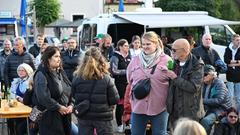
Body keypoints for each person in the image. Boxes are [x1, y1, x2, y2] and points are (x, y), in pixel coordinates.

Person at [127, 31, 177, 135]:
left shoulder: (167, 60)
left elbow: (174, 81)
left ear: (156, 44)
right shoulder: (135, 60)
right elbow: (129, 79)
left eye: (148, 44)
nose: (145, 47)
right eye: (143, 44)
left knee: (159, 133)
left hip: (160, 107)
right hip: (138, 106)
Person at [72, 47, 119, 135]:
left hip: (84, 115)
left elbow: (74, 95)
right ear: (101, 60)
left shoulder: (77, 77)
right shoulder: (106, 78)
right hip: (103, 116)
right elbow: (115, 99)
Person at [167, 38, 205, 128]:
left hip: (190, 112)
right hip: (174, 111)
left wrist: (175, 78)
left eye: (174, 50)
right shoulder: (174, 63)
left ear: (185, 50)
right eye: (171, 49)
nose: (171, 52)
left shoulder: (197, 65)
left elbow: (193, 87)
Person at [34, 46, 72, 135]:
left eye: (59, 56)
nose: (59, 59)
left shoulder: (60, 72)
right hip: (50, 117)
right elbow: (43, 97)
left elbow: (70, 89)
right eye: (56, 56)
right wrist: (58, 107)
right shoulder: (41, 74)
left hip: (65, 115)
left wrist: (71, 104)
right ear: (48, 58)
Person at [200, 64, 232, 134]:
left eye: (205, 74)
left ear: (212, 75)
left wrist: (201, 100)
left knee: (206, 121)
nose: (203, 76)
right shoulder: (203, 83)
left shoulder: (219, 84)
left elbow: (219, 100)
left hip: (221, 109)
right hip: (209, 108)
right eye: (202, 74)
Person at [110, 39, 131, 132]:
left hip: (129, 84)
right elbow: (114, 71)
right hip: (120, 84)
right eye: (125, 46)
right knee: (121, 105)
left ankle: (127, 124)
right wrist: (127, 72)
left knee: (128, 105)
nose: (128, 47)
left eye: (128, 46)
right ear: (120, 47)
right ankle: (119, 125)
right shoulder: (115, 57)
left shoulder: (129, 56)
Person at [8, 63, 34, 135]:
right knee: (10, 121)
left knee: (20, 127)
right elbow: (11, 93)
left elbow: (28, 99)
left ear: (27, 71)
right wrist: (18, 98)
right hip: (18, 108)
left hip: (28, 110)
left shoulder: (30, 82)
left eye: (23, 70)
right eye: (19, 70)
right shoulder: (17, 81)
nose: (20, 72)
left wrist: (17, 97)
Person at [224, 34, 240, 112]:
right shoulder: (228, 49)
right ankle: (229, 113)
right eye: (237, 40)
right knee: (230, 96)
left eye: (239, 40)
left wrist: (232, 62)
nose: (239, 41)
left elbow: (230, 63)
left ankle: (238, 114)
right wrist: (237, 62)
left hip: (238, 76)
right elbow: (226, 61)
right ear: (233, 41)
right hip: (230, 75)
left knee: (238, 98)